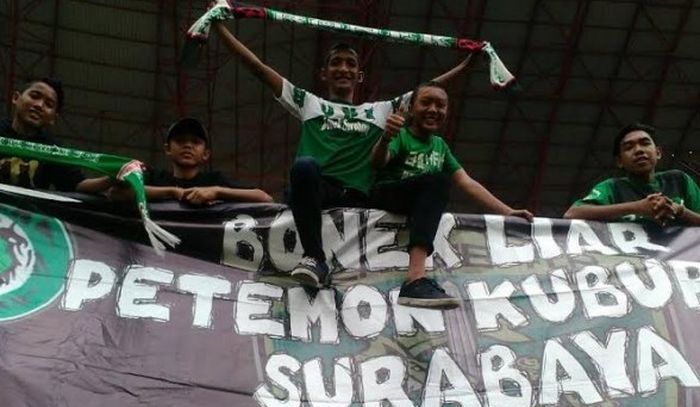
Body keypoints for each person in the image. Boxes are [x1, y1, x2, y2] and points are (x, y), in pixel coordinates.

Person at [214, 21, 478, 287]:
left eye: (351, 64)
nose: (343, 68)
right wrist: (221, 30)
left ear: (359, 76)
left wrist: (467, 66)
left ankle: (416, 278)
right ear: (324, 74)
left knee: (434, 182)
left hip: (360, 196)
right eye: (336, 63)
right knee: (304, 166)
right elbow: (258, 68)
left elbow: (428, 91)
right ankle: (315, 259)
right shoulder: (308, 103)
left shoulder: (381, 110)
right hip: (317, 191)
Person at [370, 81, 533, 308]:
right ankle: (415, 279)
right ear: (411, 108)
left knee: (438, 183)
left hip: (419, 202)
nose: (433, 110)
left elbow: (466, 183)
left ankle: (419, 281)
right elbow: (378, 162)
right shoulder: (402, 136)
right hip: (388, 194)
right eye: (426, 103)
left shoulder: (440, 146)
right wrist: (386, 138)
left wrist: (508, 211)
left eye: (441, 105)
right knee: (437, 182)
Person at [564, 122, 700, 226]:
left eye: (645, 143)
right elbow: (572, 214)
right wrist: (637, 208)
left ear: (658, 152)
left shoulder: (679, 180)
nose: (638, 150)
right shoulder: (612, 187)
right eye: (629, 147)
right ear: (619, 161)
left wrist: (680, 211)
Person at [0, 77, 109, 193]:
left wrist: (113, 178)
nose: (39, 105)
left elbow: (77, 185)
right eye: (35, 96)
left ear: (53, 118)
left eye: (49, 104)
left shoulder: (54, 150)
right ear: (16, 98)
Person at [137, 117, 272, 205]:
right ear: (167, 149)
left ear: (206, 154)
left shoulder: (214, 181)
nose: (188, 146)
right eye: (180, 141)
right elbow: (118, 193)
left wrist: (217, 192)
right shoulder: (155, 177)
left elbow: (264, 198)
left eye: (195, 142)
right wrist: (172, 192)